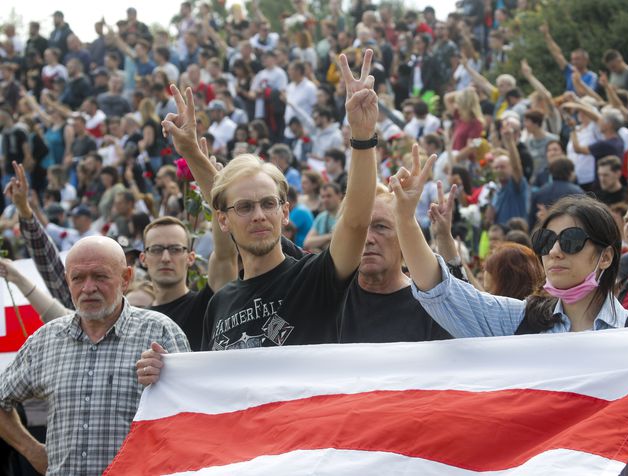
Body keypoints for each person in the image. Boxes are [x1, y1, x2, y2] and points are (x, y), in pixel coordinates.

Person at [387, 155, 628, 475]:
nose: (554, 251)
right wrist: (405, 218)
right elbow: (440, 291)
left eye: (571, 241)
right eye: (546, 240)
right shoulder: (519, 322)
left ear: (606, 256)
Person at [137, 50, 377, 365]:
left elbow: (357, 222)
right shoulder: (220, 302)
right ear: (222, 220)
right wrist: (166, 372)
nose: (259, 215)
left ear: (285, 211)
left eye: (268, 204)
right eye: (246, 207)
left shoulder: (314, 279)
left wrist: (361, 136)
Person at [0, 236, 189, 475]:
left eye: (100, 276)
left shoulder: (160, 332)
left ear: (126, 279)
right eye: (78, 278)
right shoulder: (44, 341)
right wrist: (32, 451)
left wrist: (169, 379)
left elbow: (192, 416)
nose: (88, 288)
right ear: (67, 281)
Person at [339, 183, 451, 343]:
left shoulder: (430, 308)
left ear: (403, 236)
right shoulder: (331, 300)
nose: (367, 239)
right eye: (360, 229)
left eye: (380, 227)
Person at [141, 213, 237, 351]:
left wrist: (214, 196)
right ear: (143, 259)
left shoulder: (207, 305)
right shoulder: (138, 320)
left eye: (175, 249)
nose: (165, 258)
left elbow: (226, 255)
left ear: (191, 258)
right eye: (156, 250)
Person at [539, 23, 597, 93]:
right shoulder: (570, 70)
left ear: (586, 60)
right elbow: (557, 54)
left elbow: (588, 95)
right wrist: (546, 35)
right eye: (573, 59)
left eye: (577, 59)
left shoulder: (592, 76)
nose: (574, 62)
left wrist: (577, 82)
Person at [529, 158, 584, 228]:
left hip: (544, 232)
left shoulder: (540, 192)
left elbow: (531, 220)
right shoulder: (577, 192)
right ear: (569, 172)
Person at [304, 182, 343, 251]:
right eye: (323, 197)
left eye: (329, 196)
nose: (325, 200)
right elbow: (307, 242)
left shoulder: (346, 216)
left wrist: (319, 242)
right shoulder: (321, 217)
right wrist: (329, 236)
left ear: (339, 195)